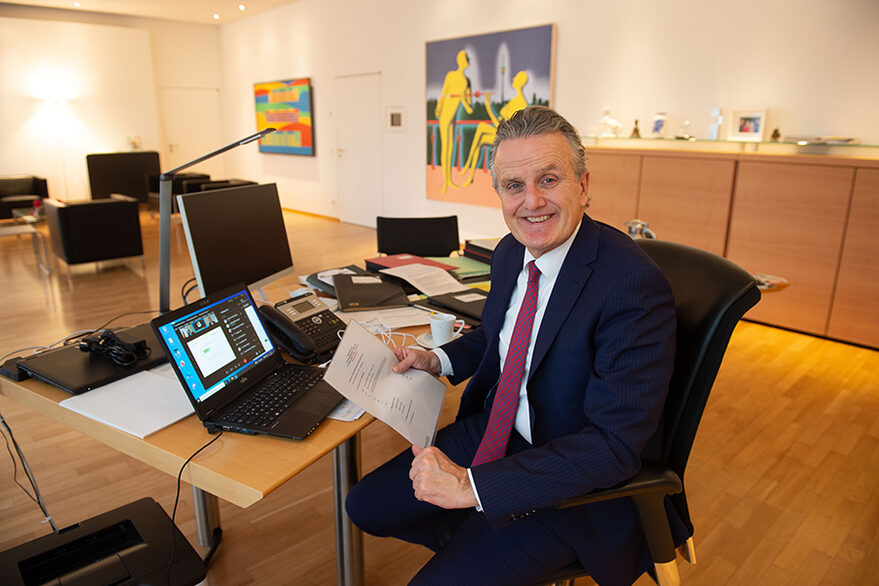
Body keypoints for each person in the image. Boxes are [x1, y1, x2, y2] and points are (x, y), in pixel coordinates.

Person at [346, 106, 679, 585]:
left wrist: (472, 486)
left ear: (583, 186)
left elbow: (613, 447)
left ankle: (488, 524)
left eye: (549, 179)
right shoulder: (510, 251)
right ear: (499, 192)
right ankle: (482, 529)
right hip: (495, 433)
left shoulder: (633, 285)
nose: (531, 202)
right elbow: (500, 337)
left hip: (569, 479)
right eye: (514, 186)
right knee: (366, 507)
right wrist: (435, 358)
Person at [460, 70, 530, 188]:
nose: (513, 79)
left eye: (516, 77)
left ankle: (468, 165)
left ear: (520, 82)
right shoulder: (515, 100)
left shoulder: (520, 103)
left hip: (507, 140)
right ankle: (470, 173)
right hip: (502, 135)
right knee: (480, 135)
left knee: (481, 128)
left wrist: (488, 107)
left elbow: (501, 128)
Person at [434, 49, 474, 194]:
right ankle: (445, 181)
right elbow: (444, 93)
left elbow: (469, 106)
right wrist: (439, 107)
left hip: (454, 117)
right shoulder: (451, 75)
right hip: (445, 114)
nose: (463, 61)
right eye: (462, 58)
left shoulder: (466, 81)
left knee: (450, 148)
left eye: (465, 58)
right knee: (445, 147)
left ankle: (449, 179)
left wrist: (465, 100)